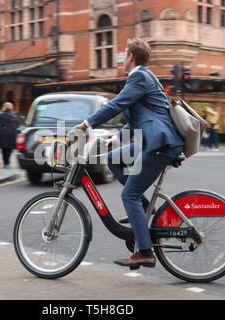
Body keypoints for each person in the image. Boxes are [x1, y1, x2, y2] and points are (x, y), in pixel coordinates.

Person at [74, 37, 184, 269]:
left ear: (130, 56)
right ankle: (144, 206)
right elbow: (142, 117)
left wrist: (87, 123)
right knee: (113, 158)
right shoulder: (146, 76)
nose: (123, 58)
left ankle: (145, 251)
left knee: (128, 196)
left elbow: (116, 105)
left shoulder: (138, 77)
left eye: (124, 54)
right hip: (154, 139)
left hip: (160, 144)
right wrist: (116, 138)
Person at [0, 102, 18, 168]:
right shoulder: (13, 115)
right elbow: (17, 125)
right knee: (9, 149)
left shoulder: (1, 115)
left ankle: (5, 163)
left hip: (3, 134)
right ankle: (7, 163)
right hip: (11, 134)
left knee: (4, 149)